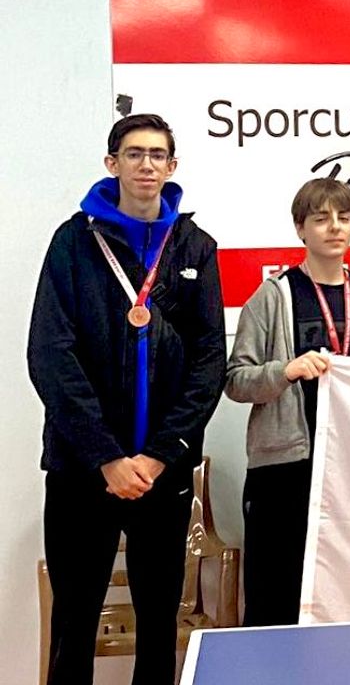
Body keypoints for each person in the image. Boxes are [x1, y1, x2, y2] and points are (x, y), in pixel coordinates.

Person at [28, 114, 226, 684]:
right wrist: (106, 456)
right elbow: (50, 354)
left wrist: (160, 455)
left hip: (163, 472)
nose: (146, 165)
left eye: (157, 155)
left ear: (172, 166)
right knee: (74, 622)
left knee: (160, 622)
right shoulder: (73, 243)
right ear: (112, 164)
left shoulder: (195, 247)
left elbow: (209, 361)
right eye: (134, 154)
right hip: (82, 469)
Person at [225, 178, 350, 626]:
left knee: (343, 594)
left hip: (349, 468)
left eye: (344, 218)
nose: (335, 228)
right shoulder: (273, 295)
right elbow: (236, 381)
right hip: (286, 466)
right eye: (321, 219)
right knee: (274, 595)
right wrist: (285, 370)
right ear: (300, 229)